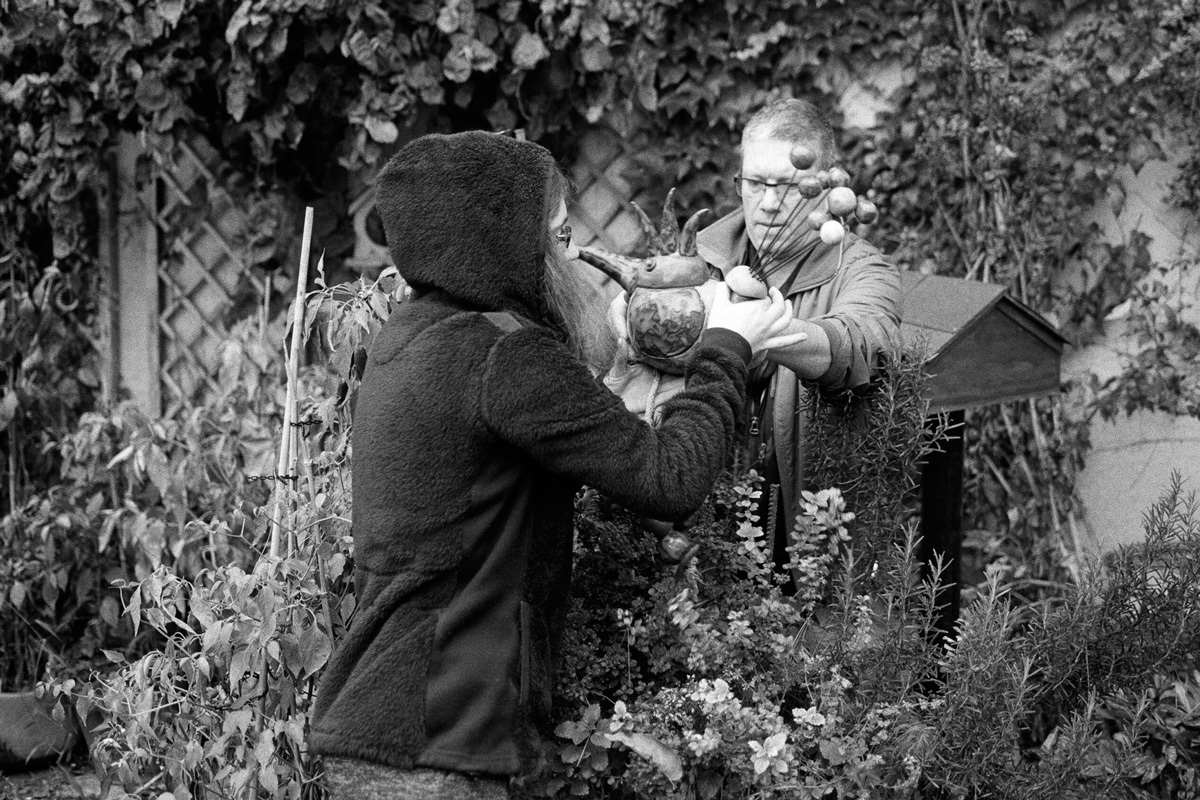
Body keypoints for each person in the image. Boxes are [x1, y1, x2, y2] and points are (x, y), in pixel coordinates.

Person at [308, 130, 805, 799]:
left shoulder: (414, 337)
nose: (573, 257)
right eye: (559, 236)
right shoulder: (505, 355)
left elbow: (548, 454)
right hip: (439, 741)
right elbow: (670, 479)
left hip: (387, 722)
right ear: (506, 242)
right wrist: (726, 345)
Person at [695, 97, 902, 570]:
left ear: (826, 187)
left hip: (805, 542)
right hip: (701, 528)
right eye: (755, 183)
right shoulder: (701, 259)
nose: (768, 204)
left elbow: (859, 345)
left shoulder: (864, 270)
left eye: (788, 186)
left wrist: (757, 329)